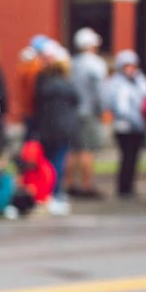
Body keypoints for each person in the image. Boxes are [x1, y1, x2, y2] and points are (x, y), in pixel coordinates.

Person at [33, 48, 79, 216]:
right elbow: (76, 100)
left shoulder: (44, 85)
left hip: (47, 128)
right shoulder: (67, 85)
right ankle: (56, 193)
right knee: (58, 163)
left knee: (48, 162)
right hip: (63, 129)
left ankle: (46, 193)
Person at [103, 50, 146, 198]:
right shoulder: (116, 83)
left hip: (139, 126)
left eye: (133, 66)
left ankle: (130, 185)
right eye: (127, 66)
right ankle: (124, 187)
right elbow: (120, 107)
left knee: (135, 157)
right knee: (127, 157)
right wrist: (135, 119)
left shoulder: (140, 81)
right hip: (124, 127)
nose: (130, 69)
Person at [68, 28, 108, 199]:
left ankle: (69, 184)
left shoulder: (72, 63)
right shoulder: (96, 64)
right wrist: (102, 110)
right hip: (89, 111)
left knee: (74, 150)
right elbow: (98, 91)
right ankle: (86, 185)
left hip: (73, 111)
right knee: (88, 150)